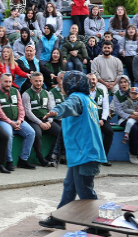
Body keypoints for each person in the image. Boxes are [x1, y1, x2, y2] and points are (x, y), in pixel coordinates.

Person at [38, 72, 108, 233]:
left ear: (72, 85)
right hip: (82, 153)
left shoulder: (77, 98)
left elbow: (68, 106)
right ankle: (58, 219)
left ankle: (99, 226)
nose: (62, 84)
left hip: (85, 153)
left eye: (65, 81)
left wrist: (56, 111)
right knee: (70, 186)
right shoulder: (88, 100)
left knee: (85, 190)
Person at [0, 73, 36, 170]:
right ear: (0, 81)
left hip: (17, 120)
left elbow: (21, 107)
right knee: (8, 134)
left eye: (10, 82)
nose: (8, 84)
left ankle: (23, 160)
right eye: (6, 81)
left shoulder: (15, 91)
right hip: (3, 121)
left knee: (31, 133)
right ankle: (9, 161)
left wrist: (20, 120)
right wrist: (10, 122)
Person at [112, 75, 138, 165]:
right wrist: (132, 116)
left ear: (129, 82)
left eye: (125, 81)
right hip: (125, 118)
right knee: (134, 129)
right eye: (121, 82)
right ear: (119, 84)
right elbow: (119, 111)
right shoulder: (117, 95)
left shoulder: (136, 90)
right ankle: (133, 153)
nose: (124, 84)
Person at [22, 72, 59, 167]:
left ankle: (50, 156)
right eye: (36, 81)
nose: (38, 83)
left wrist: (50, 121)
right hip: (33, 120)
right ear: (31, 81)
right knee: (37, 134)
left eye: (40, 81)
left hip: (46, 119)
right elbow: (28, 112)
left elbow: (51, 109)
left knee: (61, 132)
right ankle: (40, 158)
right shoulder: (26, 94)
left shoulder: (46, 93)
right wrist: (40, 123)